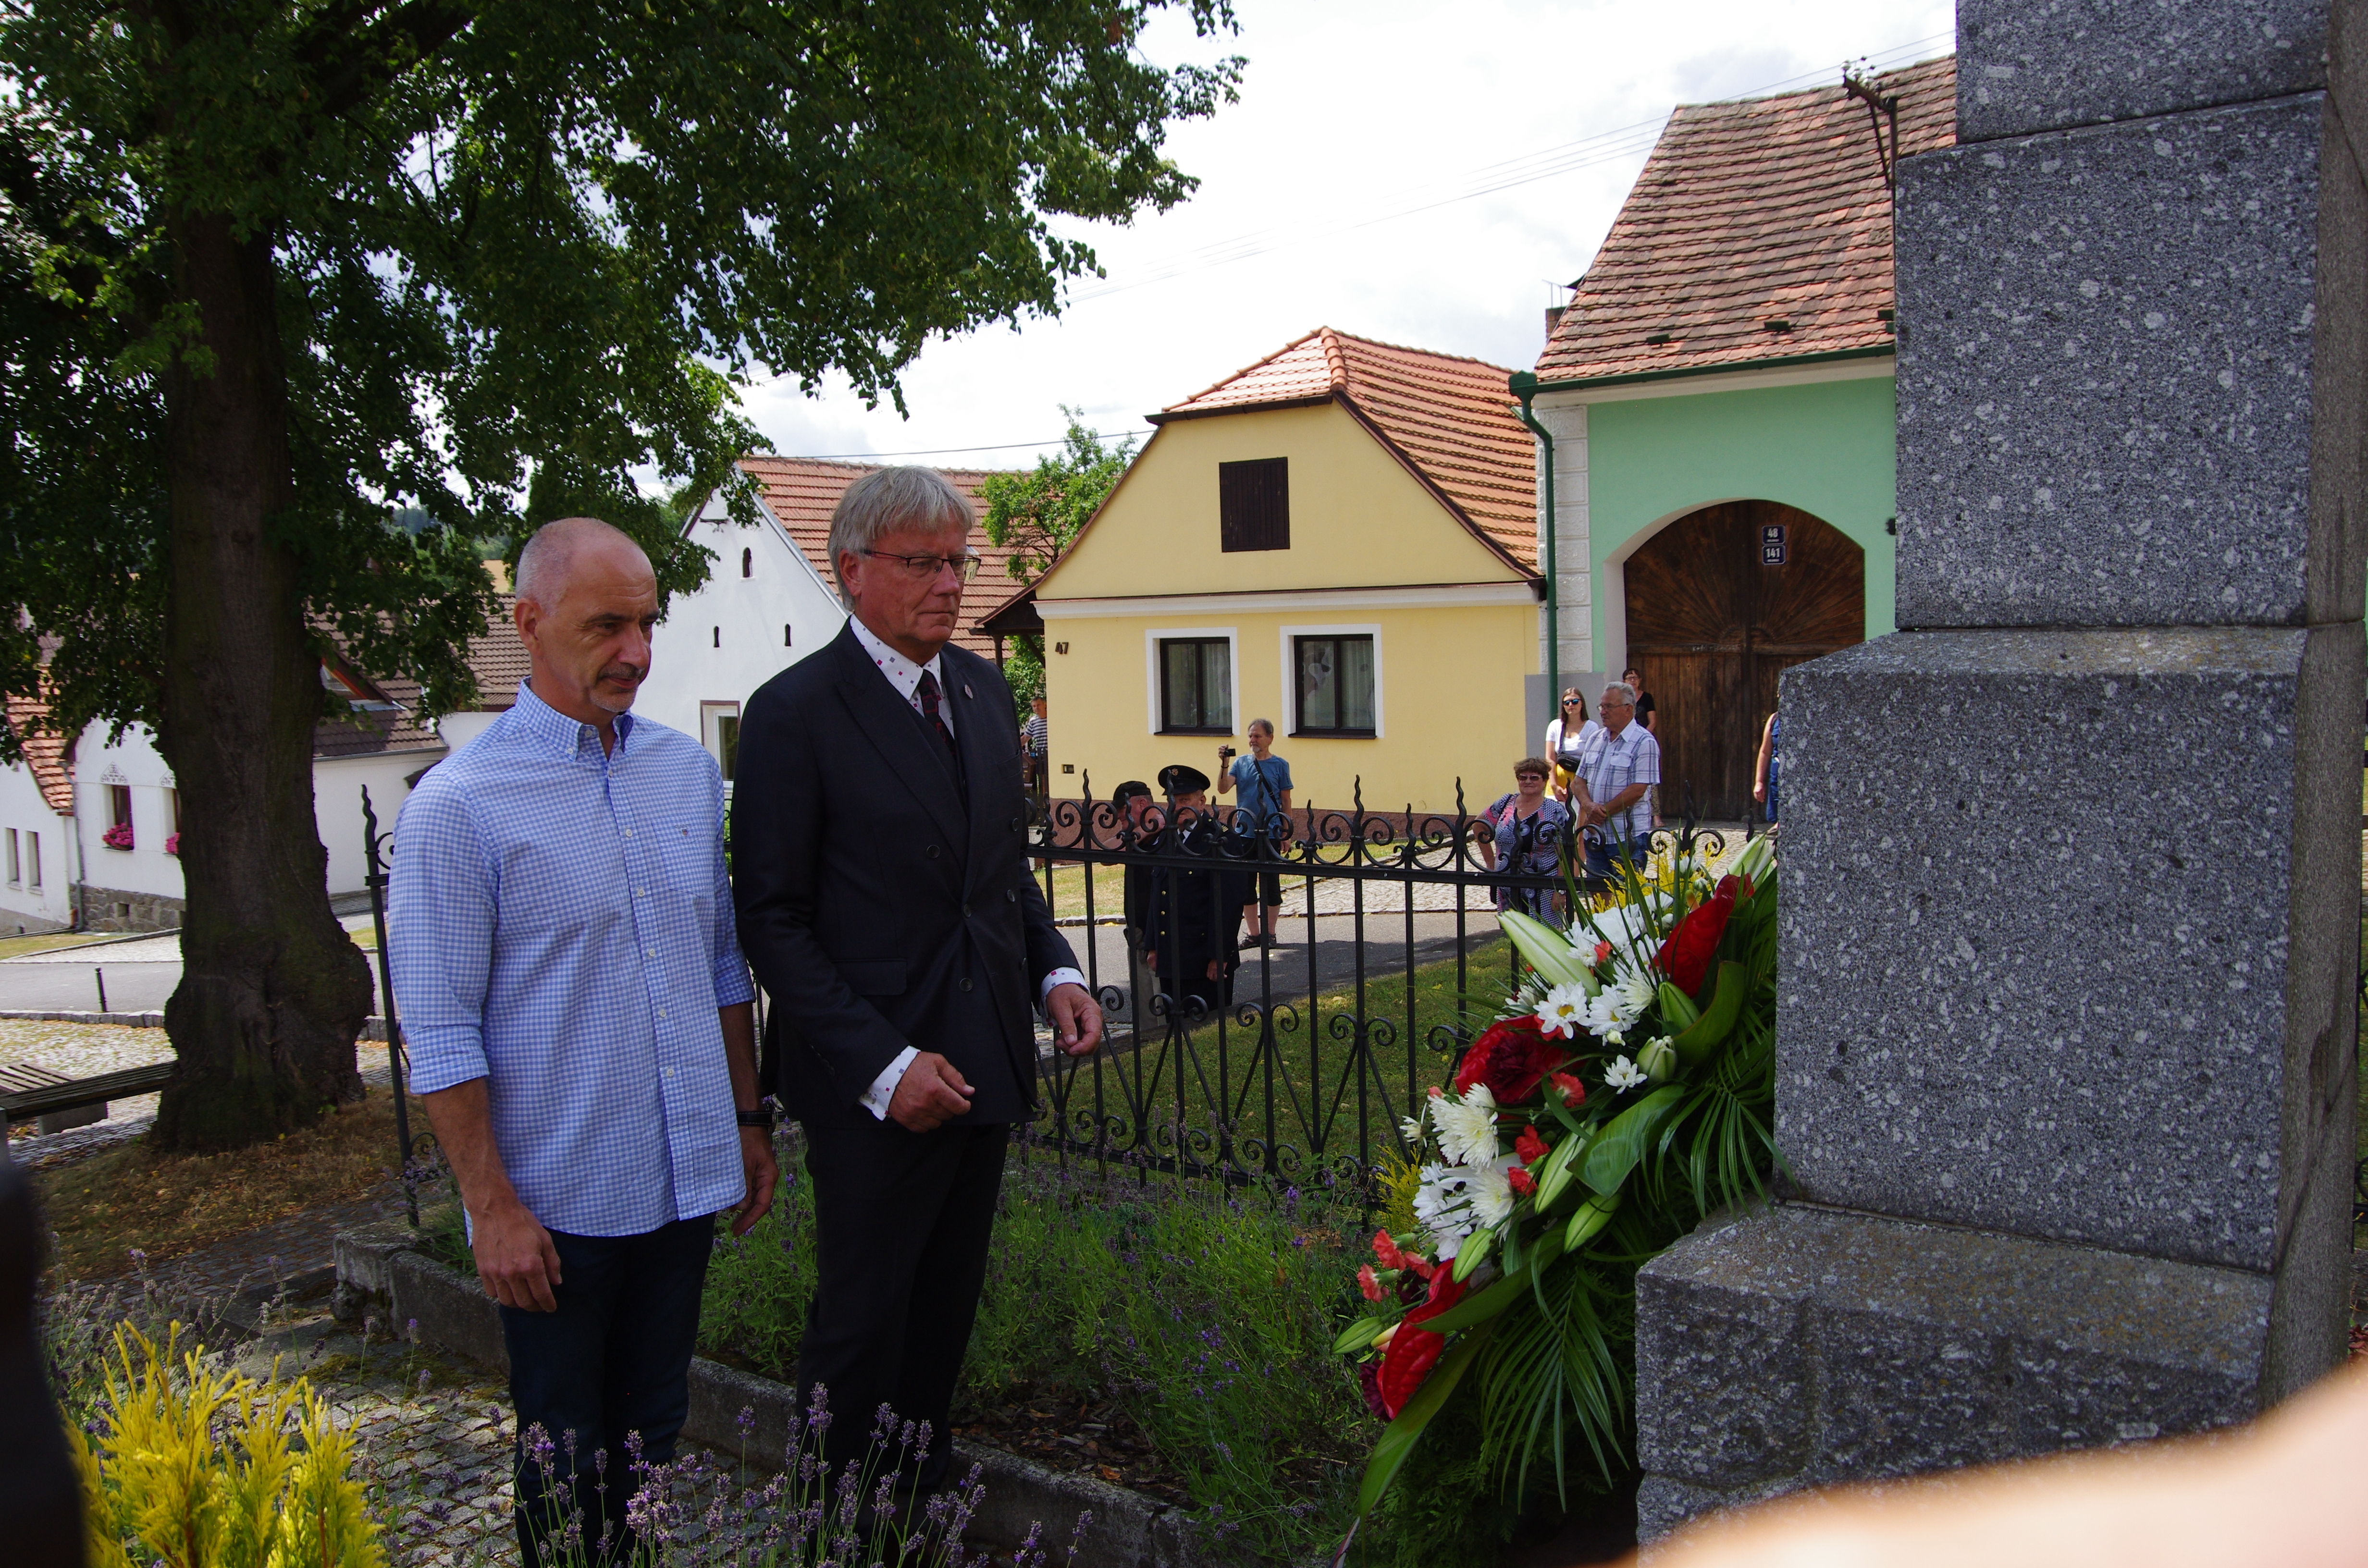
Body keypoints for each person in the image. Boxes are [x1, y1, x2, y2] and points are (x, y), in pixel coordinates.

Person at [391, 516, 775, 1568]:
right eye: (607, 625)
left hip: (682, 1177)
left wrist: (746, 1119)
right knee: (566, 1450)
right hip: (557, 1206)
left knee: (652, 1431)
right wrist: (491, 1209)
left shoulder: (685, 775)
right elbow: (438, 1026)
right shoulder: (460, 808)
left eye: (647, 624)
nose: (637, 653)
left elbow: (716, 967)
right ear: (527, 623)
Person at [728, 466, 1102, 1499]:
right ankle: (836, 1524)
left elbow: (1000, 875)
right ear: (853, 572)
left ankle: (915, 1505)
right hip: (871, 1085)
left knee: (943, 1314)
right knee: (861, 1326)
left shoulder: (984, 692)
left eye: (957, 561)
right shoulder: (794, 715)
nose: (949, 583)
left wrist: (1055, 969)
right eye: (922, 563)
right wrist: (884, 1068)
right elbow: (773, 920)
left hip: (981, 1057)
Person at [1143, 763, 1246, 1017]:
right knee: (1174, 1031)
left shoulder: (1220, 839)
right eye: (1172, 801)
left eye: (1184, 800)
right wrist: (1153, 946)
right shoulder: (1168, 836)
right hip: (1171, 957)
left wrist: (1219, 955)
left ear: (1202, 802)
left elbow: (1229, 903)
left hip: (1204, 961)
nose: (1177, 807)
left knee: (1206, 1031)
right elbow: (1158, 895)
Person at [1570, 681, 1662, 881]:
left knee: (1626, 899)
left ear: (1628, 709)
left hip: (1626, 836)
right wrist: (1589, 806)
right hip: (1595, 834)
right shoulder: (1596, 738)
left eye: (1609, 706)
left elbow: (1638, 790)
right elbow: (1578, 782)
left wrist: (1601, 813)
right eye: (1601, 706)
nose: (1603, 712)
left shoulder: (1644, 742)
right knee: (1599, 899)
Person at [1216, 718, 1293, 945]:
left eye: (1258, 736)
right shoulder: (1240, 764)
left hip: (1270, 832)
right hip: (1244, 833)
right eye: (1250, 736)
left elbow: (1286, 800)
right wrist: (1224, 763)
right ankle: (1254, 934)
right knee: (1246, 885)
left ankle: (1270, 933)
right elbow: (1222, 789)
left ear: (1270, 738)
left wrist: (1286, 832)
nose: (1253, 740)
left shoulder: (1280, 765)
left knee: (1271, 884)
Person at [1476, 759, 1572, 918]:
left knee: (1543, 938)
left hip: (1544, 888)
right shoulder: (1506, 802)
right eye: (1523, 777)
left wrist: (1560, 890)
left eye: (1534, 778)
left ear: (1544, 781)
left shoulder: (1555, 810)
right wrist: (1490, 863)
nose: (1528, 781)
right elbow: (1479, 826)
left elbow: (1565, 853)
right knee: (1512, 937)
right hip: (1507, 886)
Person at [1111, 778, 1156, 953]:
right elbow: (1106, 855)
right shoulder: (1134, 834)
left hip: (1160, 937)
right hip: (1137, 935)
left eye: (1122, 809)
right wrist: (1148, 829)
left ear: (1142, 804)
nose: (1118, 815)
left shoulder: (1170, 834)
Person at [1542, 687, 1599, 805]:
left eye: (1575, 702)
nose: (1571, 705)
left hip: (1580, 781)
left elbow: (1592, 760)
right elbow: (1550, 758)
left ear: (1582, 703)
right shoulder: (1555, 726)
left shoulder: (1591, 727)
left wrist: (1573, 787)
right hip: (1557, 780)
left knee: (1576, 819)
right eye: (1567, 703)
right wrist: (1554, 785)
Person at [1754, 704, 1781, 828]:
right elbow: (1765, 751)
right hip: (1776, 778)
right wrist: (1759, 782)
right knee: (1776, 819)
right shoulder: (1774, 718)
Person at [1021, 695, 1048, 793]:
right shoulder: (1033, 721)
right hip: (1040, 756)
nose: (1037, 708)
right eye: (1034, 706)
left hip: (1053, 755)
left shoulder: (1053, 718)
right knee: (1043, 782)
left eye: (1039, 705)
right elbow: (1026, 737)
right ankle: (1046, 805)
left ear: (1044, 705)